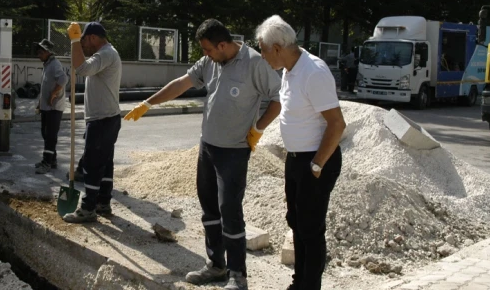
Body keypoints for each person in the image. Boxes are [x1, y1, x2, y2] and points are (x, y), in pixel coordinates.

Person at [124, 19, 281, 290]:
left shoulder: (254, 63)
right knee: (209, 207)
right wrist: (149, 102)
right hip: (207, 147)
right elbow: (182, 83)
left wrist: (258, 129)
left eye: (208, 49)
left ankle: (237, 274)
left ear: (222, 45)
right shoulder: (210, 62)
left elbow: (278, 101)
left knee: (230, 210)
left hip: (234, 151)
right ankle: (216, 265)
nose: (205, 55)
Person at [255, 15, 346, 290]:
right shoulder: (289, 70)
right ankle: (299, 283)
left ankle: (309, 286)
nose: (263, 57)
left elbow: (337, 123)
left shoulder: (313, 72)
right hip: (296, 159)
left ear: (278, 48)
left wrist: (317, 165)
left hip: (316, 160)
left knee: (311, 230)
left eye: (263, 51)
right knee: (296, 223)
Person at [62, 22, 122, 223]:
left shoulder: (105, 54)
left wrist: (74, 41)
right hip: (107, 118)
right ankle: (103, 202)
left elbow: (81, 68)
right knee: (105, 164)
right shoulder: (107, 54)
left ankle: (88, 208)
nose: (84, 45)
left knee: (93, 164)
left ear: (94, 37)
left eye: (85, 40)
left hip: (102, 120)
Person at [34, 39, 68, 174]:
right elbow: (45, 86)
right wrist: (40, 103)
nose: (38, 55)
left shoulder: (54, 64)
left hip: (54, 107)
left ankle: (46, 162)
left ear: (48, 52)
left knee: (50, 135)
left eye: (41, 52)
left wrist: (54, 93)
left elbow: (64, 80)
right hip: (46, 107)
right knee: (45, 133)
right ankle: (52, 160)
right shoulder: (47, 65)